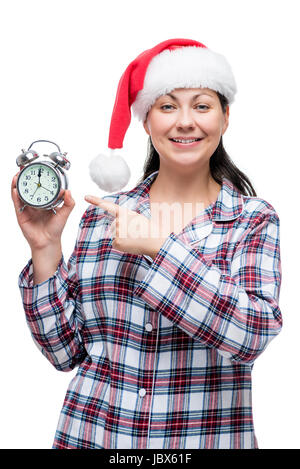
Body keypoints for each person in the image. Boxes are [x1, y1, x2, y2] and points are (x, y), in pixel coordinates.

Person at [12, 38, 282, 449]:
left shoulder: (252, 219)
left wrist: (160, 247)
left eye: (203, 105)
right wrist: (46, 250)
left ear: (226, 118)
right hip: (93, 438)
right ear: (147, 121)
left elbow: (251, 335)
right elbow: (64, 353)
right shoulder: (103, 216)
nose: (185, 122)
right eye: (168, 106)